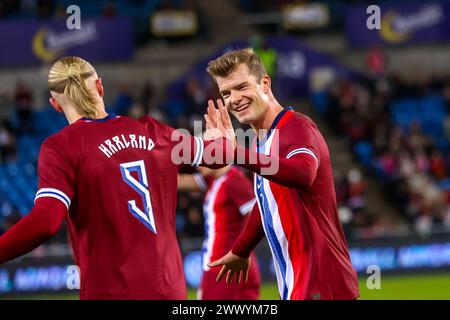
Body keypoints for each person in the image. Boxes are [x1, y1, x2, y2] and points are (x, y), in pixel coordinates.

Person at [0, 56, 231, 299]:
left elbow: (45, 223)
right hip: (170, 292)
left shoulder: (61, 147)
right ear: (100, 86)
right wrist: (226, 141)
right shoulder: (156, 132)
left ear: (55, 105)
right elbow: (219, 156)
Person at [204, 48, 360, 300]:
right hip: (300, 284)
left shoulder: (297, 126)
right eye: (226, 93)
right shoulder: (260, 143)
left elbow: (303, 174)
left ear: (265, 84)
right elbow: (268, 201)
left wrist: (235, 153)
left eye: (242, 86)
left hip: (322, 283)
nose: (234, 99)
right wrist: (241, 249)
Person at [178, 143, 260, 299]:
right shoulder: (213, 180)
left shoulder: (235, 180)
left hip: (224, 265)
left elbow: (256, 215)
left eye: (202, 156)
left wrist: (242, 250)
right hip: (219, 263)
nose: (198, 163)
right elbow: (177, 182)